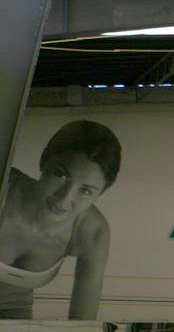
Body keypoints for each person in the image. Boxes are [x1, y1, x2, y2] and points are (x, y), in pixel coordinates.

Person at [0, 120, 121, 320]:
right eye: (61, 175)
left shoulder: (92, 230)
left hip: (15, 318)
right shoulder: (4, 191)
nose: (64, 198)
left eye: (85, 191)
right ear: (44, 160)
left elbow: (83, 321)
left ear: (100, 193)